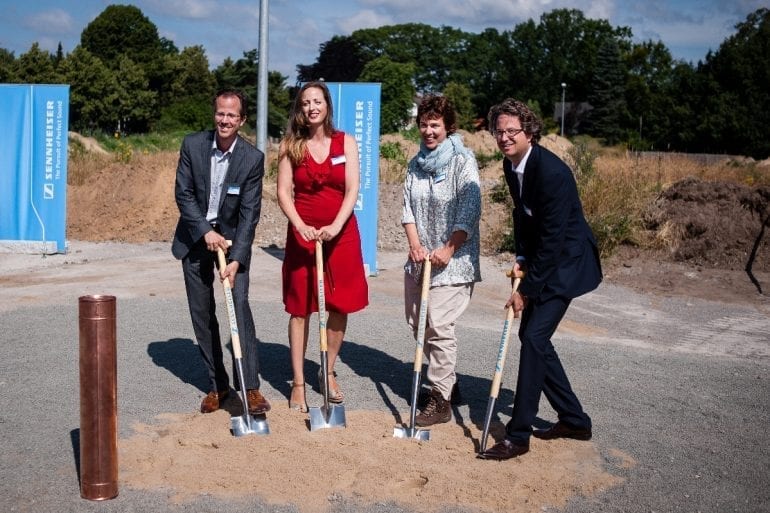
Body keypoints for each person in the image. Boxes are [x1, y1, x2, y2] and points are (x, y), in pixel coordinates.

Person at [478, 98, 602, 460]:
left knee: (533, 338)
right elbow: (522, 216)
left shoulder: (551, 173)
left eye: (511, 131)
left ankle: (517, 436)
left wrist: (526, 290)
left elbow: (552, 239)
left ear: (529, 132)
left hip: (568, 263)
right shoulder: (511, 164)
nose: (504, 137)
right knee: (533, 339)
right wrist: (520, 258)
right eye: (499, 131)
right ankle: (574, 420)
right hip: (545, 258)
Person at [172, 89, 271, 415]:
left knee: (238, 306)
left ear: (242, 120)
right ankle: (219, 385)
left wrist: (237, 257)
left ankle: (250, 387)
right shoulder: (193, 145)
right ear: (214, 114)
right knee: (202, 314)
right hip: (195, 238)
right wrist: (206, 231)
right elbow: (184, 194)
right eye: (220, 113)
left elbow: (249, 214)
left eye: (231, 115)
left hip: (232, 244)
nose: (224, 120)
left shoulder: (252, 159)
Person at [276, 81, 369, 413]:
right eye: (305, 102)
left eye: (317, 101)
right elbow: (283, 192)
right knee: (299, 308)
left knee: (340, 304)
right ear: (300, 109)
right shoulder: (290, 145)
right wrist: (299, 225)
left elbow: (352, 188)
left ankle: (327, 371)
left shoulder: (346, 142)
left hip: (341, 234)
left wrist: (336, 226)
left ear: (327, 105)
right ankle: (299, 383)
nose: (312, 107)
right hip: (302, 234)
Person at [401, 95, 481, 426]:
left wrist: (449, 247)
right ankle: (448, 380)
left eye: (435, 125)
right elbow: (407, 207)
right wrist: (415, 245)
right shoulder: (415, 164)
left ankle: (440, 399)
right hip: (421, 261)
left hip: (453, 260)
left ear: (448, 127)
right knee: (417, 322)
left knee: (439, 324)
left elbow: (470, 207)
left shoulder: (463, 161)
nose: (429, 131)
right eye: (424, 124)